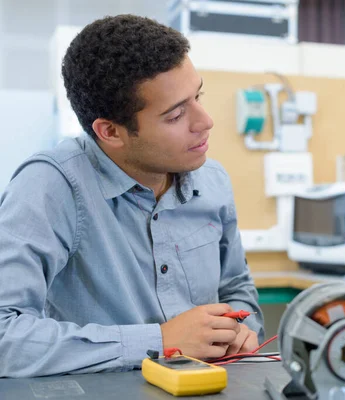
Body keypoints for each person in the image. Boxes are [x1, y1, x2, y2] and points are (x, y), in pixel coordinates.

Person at [0, 15, 263, 378]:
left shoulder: (213, 181)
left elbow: (236, 288)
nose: (205, 121)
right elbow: (5, 336)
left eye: (198, 96)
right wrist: (159, 340)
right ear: (110, 132)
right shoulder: (50, 186)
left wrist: (239, 329)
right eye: (175, 115)